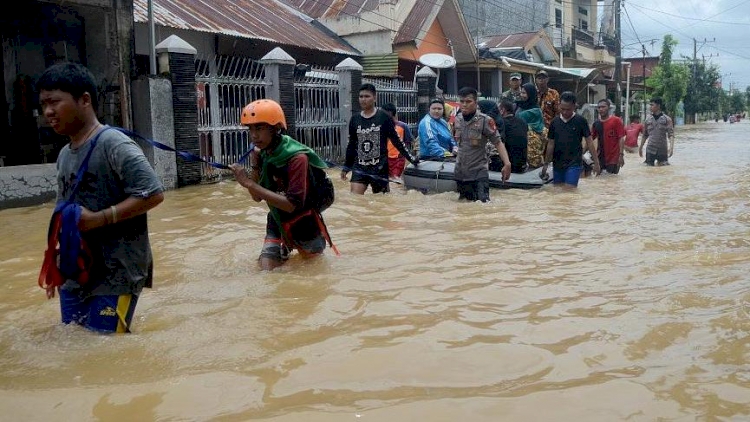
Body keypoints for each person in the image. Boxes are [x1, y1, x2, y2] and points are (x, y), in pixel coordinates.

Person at [38, 62, 164, 333]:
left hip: (117, 271)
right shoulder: (64, 154)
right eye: (44, 104)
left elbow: (152, 193)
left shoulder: (113, 144)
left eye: (55, 102)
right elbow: (63, 211)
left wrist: (98, 219)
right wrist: (57, 260)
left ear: (85, 100)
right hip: (76, 269)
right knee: (73, 342)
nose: (48, 111)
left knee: (104, 344)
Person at [230, 99, 336, 271]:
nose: (254, 135)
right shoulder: (264, 155)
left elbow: (291, 205)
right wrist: (255, 166)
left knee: (313, 277)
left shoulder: (297, 159)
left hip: (305, 225)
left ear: (275, 129)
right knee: (266, 273)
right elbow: (257, 198)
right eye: (250, 129)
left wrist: (249, 183)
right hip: (277, 221)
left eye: (259, 128)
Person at [342, 83, 419, 194]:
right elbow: (352, 144)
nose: (363, 99)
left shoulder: (384, 117)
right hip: (359, 167)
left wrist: (411, 159)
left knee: (382, 200)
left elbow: (397, 141)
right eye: (361, 96)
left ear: (374, 98)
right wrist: (346, 166)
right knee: (355, 198)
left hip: (379, 168)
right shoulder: (355, 119)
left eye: (367, 96)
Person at [453, 87, 511, 202]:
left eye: (468, 102)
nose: (464, 105)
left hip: (479, 172)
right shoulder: (457, 119)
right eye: (462, 101)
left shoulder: (485, 121)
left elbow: (498, 142)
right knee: (463, 206)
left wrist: (507, 163)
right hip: (461, 172)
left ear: (475, 102)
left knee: (483, 206)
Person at [540, 91, 600, 188]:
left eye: (568, 109)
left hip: (574, 163)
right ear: (559, 105)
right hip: (557, 163)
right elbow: (551, 144)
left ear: (574, 106)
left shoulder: (581, 121)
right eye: (562, 109)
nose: (564, 112)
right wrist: (546, 164)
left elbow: (589, 142)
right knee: (558, 191)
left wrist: (596, 163)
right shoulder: (554, 122)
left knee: (570, 190)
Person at [515, 83, 547, 169]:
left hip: (533, 142)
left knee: (534, 166)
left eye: (524, 93)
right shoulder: (520, 105)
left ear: (531, 94)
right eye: (521, 92)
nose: (522, 95)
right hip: (522, 143)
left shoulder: (535, 110)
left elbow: (518, 118)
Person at [591, 99, 626, 174]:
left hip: (614, 158)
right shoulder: (596, 123)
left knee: (612, 180)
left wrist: (621, 155)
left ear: (609, 108)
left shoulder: (616, 121)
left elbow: (621, 138)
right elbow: (590, 140)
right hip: (600, 157)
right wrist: (582, 153)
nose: (601, 109)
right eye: (599, 107)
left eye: (603, 107)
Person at [382, 102, 414, 180]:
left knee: (395, 179)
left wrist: (408, 159)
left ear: (390, 113)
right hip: (384, 159)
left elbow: (410, 142)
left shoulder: (402, 126)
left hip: (398, 159)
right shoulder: (380, 126)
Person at [639, 97, 674, 166]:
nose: (650, 107)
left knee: (663, 169)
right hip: (650, 148)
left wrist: (671, 148)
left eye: (652, 105)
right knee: (648, 169)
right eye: (650, 105)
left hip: (662, 150)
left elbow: (671, 135)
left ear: (658, 106)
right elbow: (645, 135)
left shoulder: (667, 119)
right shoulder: (647, 119)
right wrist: (640, 147)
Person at [499, 100, 529, 173]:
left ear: (503, 110)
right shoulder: (522, 122)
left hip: (508, 164)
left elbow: (500, 143)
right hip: (522, 163)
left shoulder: (502, 122)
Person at [477, 99, 506, 172]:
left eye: (479, 109)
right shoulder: (499, 119)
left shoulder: (488, 122)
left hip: (491, 161)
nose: (478, 111)